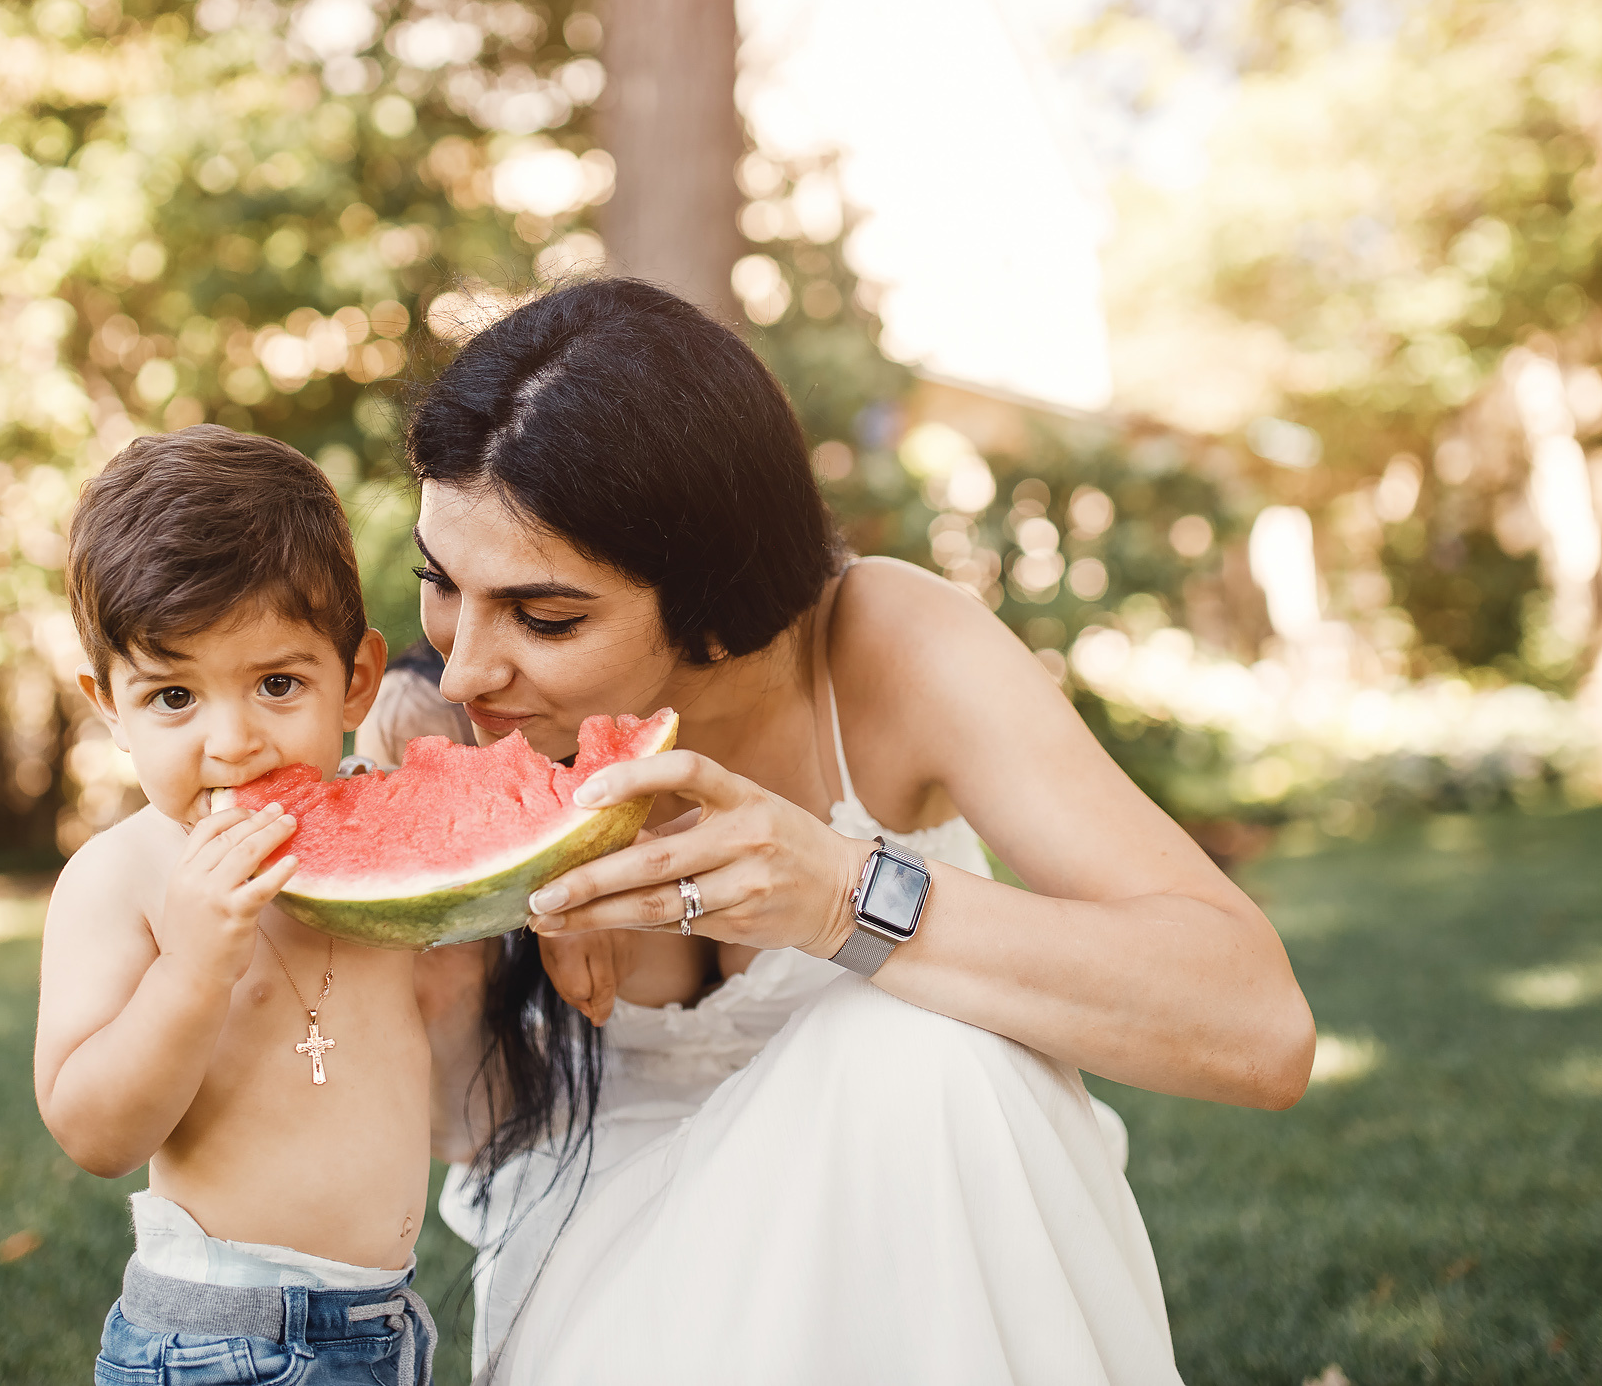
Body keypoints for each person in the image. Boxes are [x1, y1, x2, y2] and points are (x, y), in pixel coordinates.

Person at [404, 281, 1318, 1384]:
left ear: (714, 592)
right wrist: (450, 959)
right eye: (439, 583)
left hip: (928, 1249)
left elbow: (1259, 1029)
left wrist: (845, 894)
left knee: (911, 1047)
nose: (466, 666)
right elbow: (464, 1134)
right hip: (618, 1282)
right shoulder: (454, 719)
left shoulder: (888, 645)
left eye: (546, 617)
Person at [33, 425, 437, 1386]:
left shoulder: (383, 832)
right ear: (109, 707)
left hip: (384, 1329)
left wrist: (559, 930)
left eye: (278, 683)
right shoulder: (119, 876)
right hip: (222, 1341)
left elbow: (492, 880)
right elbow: (93, 1132)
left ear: (358, 681)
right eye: (174, 696)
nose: (232, 740)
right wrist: (194, 967)